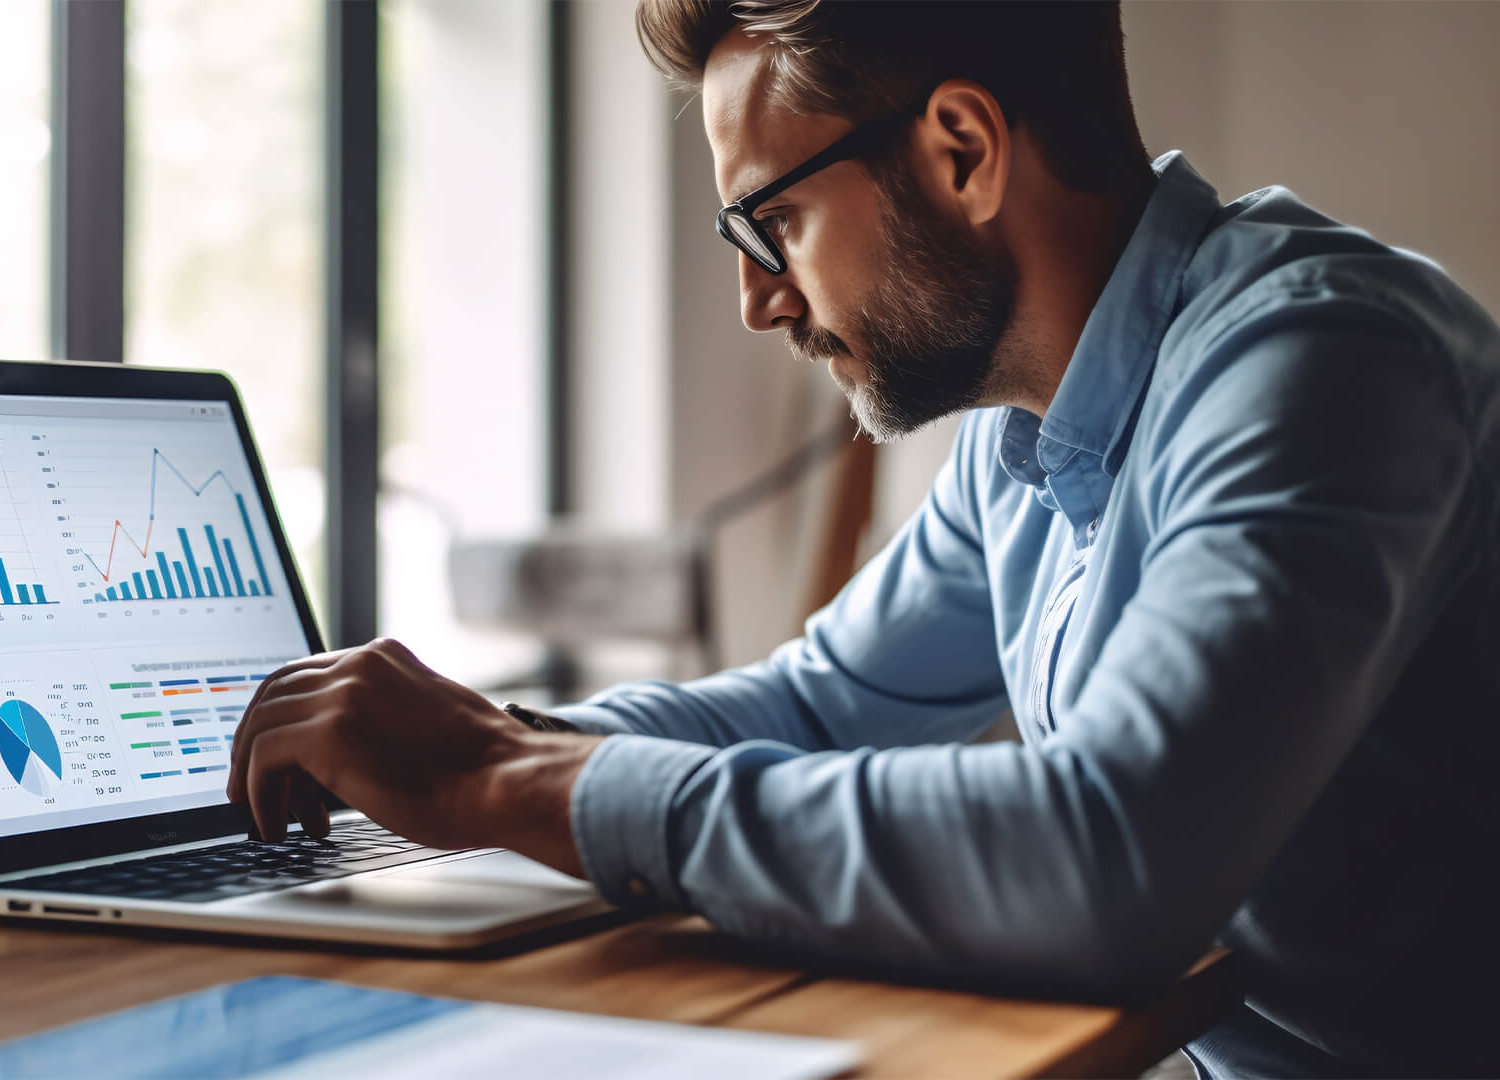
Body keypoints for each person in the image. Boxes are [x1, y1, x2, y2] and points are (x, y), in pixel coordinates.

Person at [228, 2, 1500, 1075]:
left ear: (961, 151)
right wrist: (474, 744)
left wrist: (510, 782)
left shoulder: (1328, 358)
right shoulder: (1025, 439)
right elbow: (827, 703)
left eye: (769, 222)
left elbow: (1110, 856)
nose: (757, 299)